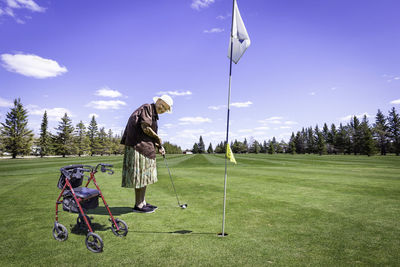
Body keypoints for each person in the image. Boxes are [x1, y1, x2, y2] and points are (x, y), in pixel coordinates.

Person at [120, 95, 173, 213]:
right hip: (137, 146)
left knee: (144, 177)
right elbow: (145, 127)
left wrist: (160, 146)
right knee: (140, 177)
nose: (162, 109)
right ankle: (138, 205)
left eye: (165, 108)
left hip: (145, 148)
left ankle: (142, 202)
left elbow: (152, 135)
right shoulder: (147, 107)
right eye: (162, 105)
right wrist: (158, 138)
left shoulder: (154, 115)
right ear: (158, 101)